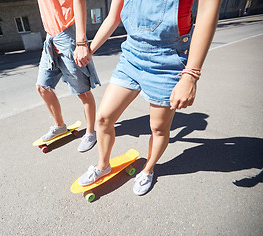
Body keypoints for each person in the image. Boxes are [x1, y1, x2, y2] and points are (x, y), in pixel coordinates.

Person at [75, 0, 221, 195]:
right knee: (103, 118)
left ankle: (148, 169)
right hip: (131, 56)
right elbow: (113, 17)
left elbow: (206, 14)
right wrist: (89, 49)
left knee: (159, 128)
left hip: (168, 60)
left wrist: (191, 75)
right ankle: (103, 166)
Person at [36, 0, 100, 152]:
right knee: (42, 87)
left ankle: (91, 133)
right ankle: (59, 126)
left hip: (68, 35)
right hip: (50, 38)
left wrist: (81, 42)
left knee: (83, 93)